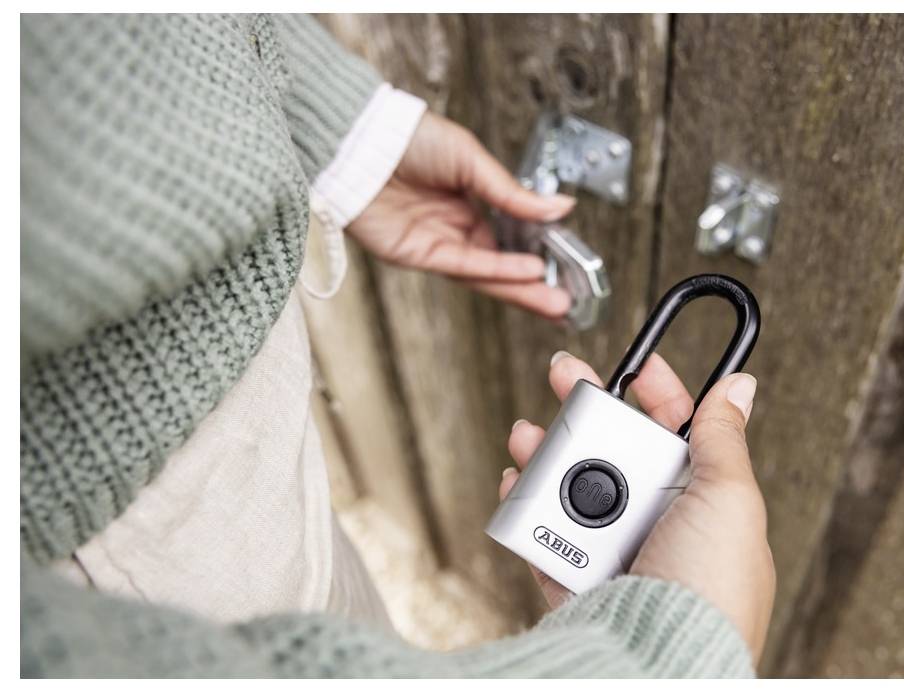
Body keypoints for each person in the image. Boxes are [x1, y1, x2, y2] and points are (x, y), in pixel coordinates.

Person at [20, 14, 775, 677]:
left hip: (202, 400)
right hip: (94, 500)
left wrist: (346, 135)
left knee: (322, 605)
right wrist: (668, 657)